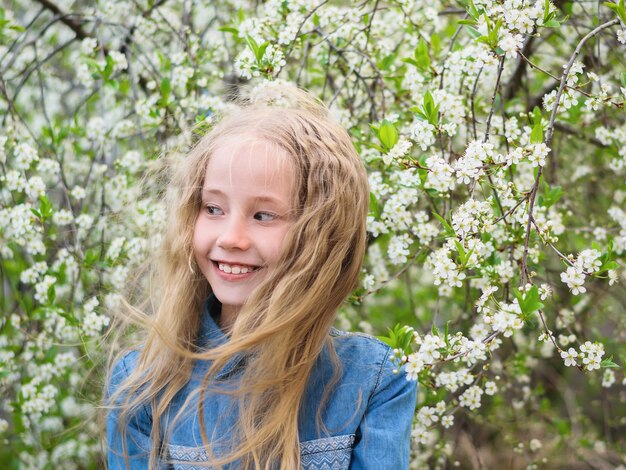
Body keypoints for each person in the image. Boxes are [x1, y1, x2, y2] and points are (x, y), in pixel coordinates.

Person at [106, 83, 417, 470]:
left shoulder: (375, 381)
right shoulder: (144, 384)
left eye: (263, 215)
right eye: (213, 208)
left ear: (322, 235)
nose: (230, 238)